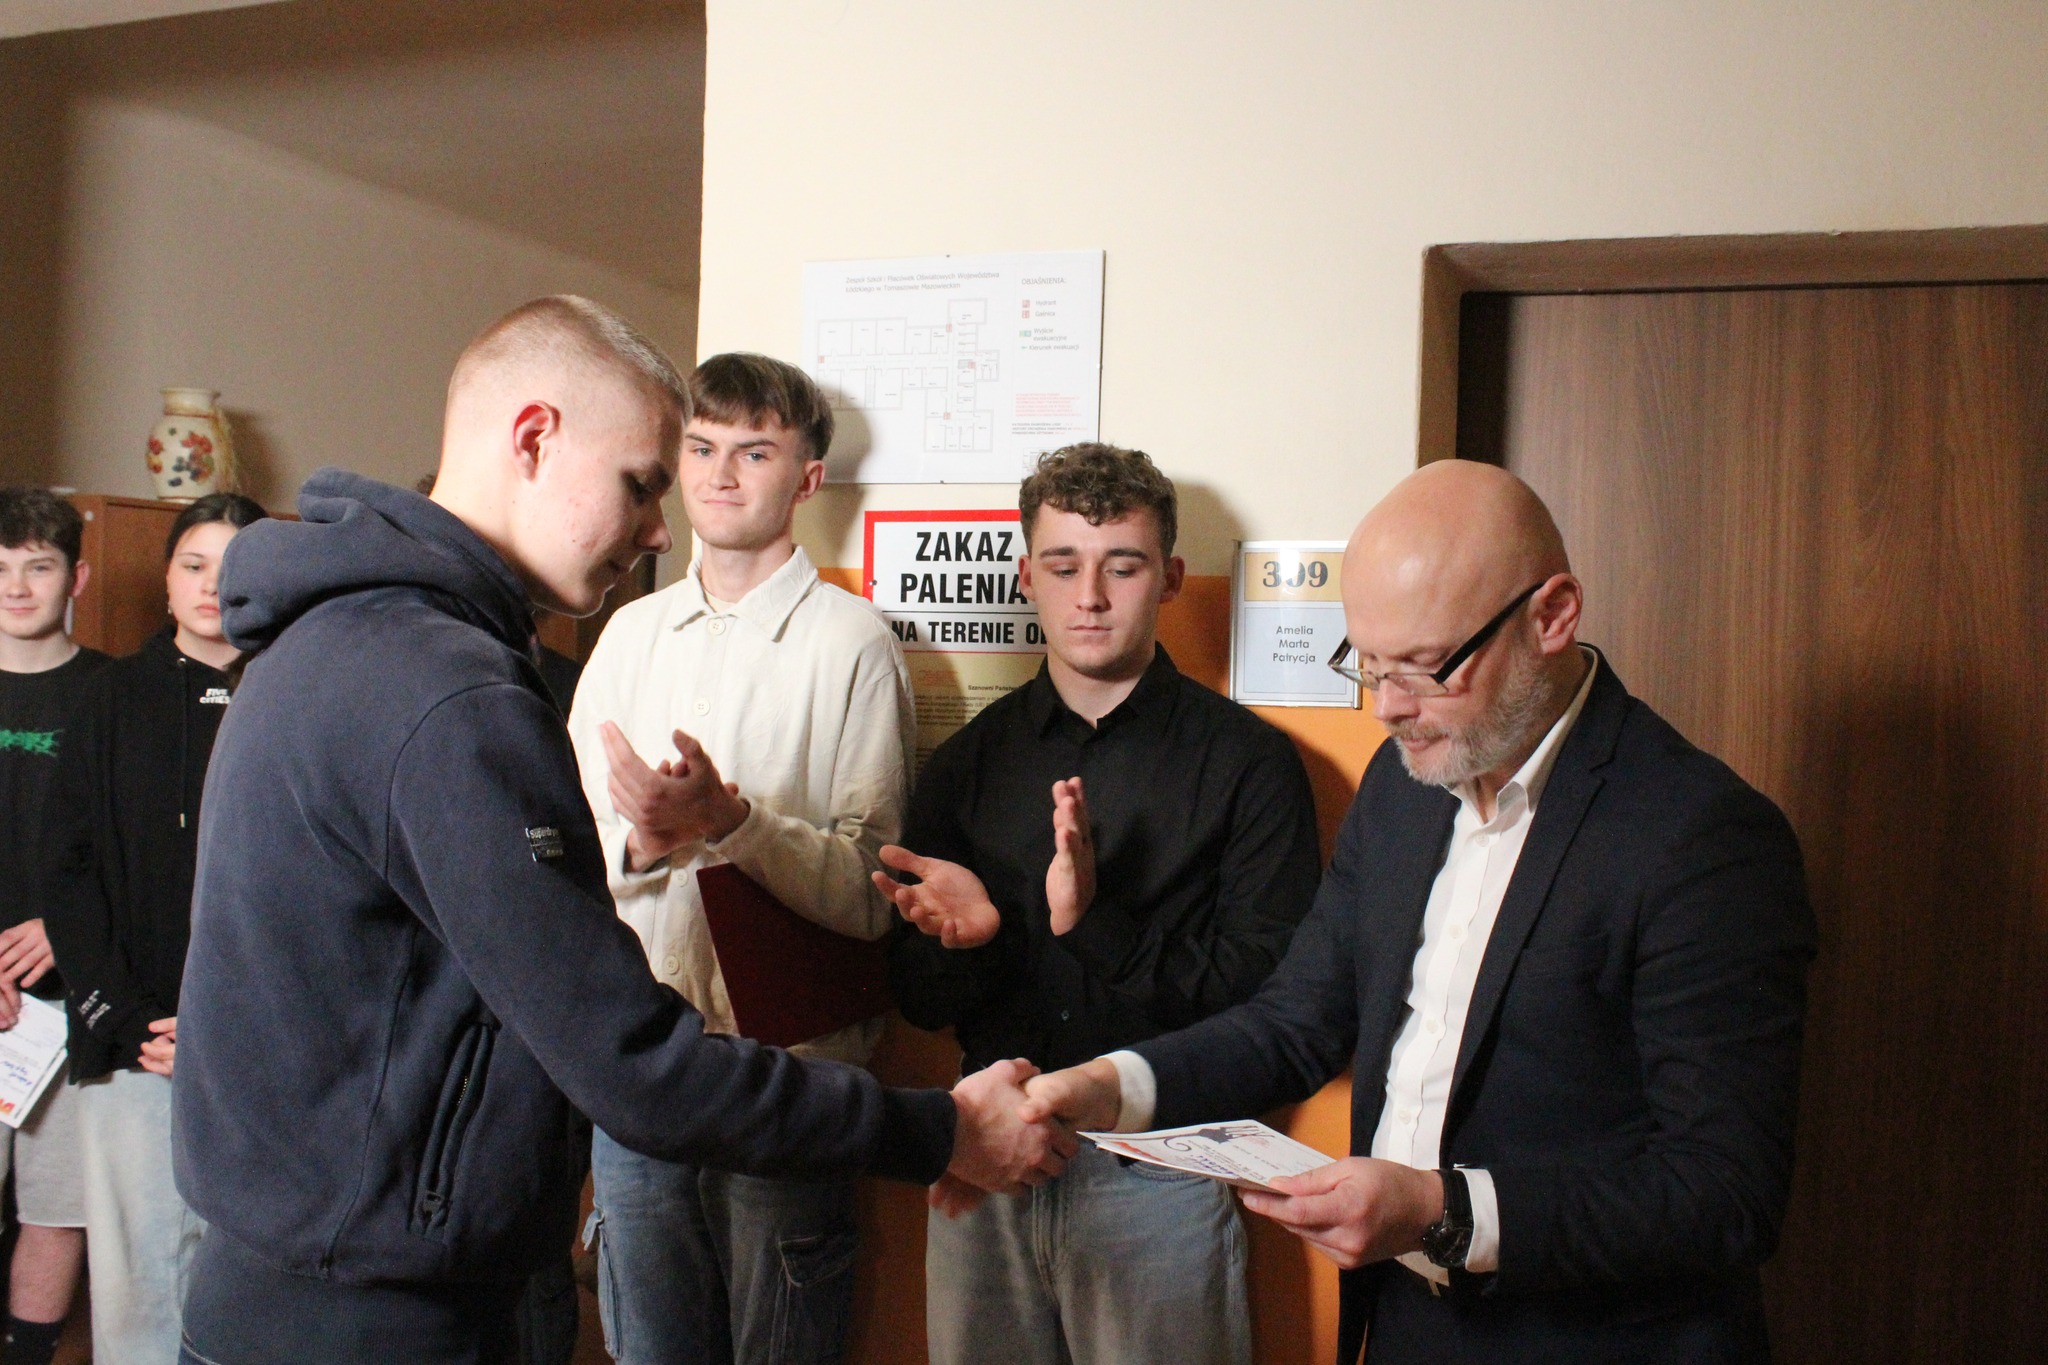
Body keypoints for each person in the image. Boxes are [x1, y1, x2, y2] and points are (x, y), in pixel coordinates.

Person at [170, 296, 1068, 1365]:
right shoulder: (445, 692)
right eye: (644, 483)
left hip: (315, 1276)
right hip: (371, 1316)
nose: (659, 528)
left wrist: (732, 825)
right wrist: (943, 1130)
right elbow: (630, 1060)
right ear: (534, 438)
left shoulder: (337, 640)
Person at [1020, 459, 1817, 1365]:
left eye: (1426, 667)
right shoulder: (1404, 786)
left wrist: (1445, 1212)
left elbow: (1724, 1192)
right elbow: (1296, 1021)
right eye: (1368, 664)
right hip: (1406, 1325)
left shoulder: (1701, 835)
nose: (1388, 708)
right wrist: (1110, 1086)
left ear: (1553, 615)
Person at [877, 444, 1322, 1365]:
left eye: (1122, 566)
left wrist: (1094, 925)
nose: (1089, 596)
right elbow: (918, 1000)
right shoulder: (966, 764)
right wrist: (981, 939)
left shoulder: (1250, 764)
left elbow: (1271, 997)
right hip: (988, 1157)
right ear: (1024, 577)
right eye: (1062, 565)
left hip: (1162, 1168)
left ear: (1170, 578)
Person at [565, 352, 913, 1365]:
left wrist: (731, 823)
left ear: (808, 477)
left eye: (754, 452)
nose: (719, 474)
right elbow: (563, 862)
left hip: (788, 1080)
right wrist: (644, 839)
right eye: (701, 447)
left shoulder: (855, 643)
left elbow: (873, 892)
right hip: (641, 1069)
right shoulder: (627, 637)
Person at [44, 490, 268, 1365]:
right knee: (140, 1287)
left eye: (234, 567)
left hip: (267, 1050)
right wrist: (132, 1020)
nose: (212, 585)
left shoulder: (298, 693)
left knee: (254, 1285)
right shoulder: (109, 698)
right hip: (135, 1044)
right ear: (167, 580)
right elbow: (69, 874)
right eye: (193, 564)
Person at [0, 489, 105, 1365]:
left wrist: (64, 926)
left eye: (37, 566)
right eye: (0, 568)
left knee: (58, 1205)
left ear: (77, 576)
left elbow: (139, 847)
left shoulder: (114, 694)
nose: (16, 587)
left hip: (68, 1000)